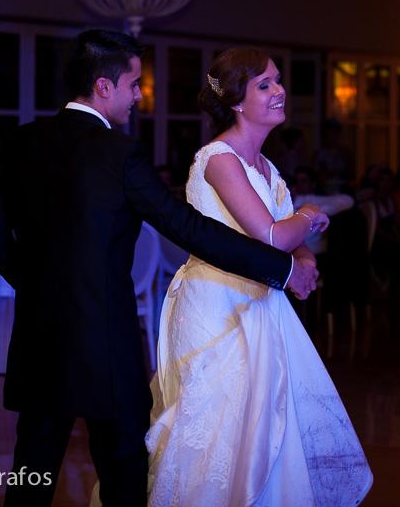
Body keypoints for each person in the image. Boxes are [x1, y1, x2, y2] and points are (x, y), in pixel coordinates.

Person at [0, 30, 318, 507]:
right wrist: (282, 268)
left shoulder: (19, 143)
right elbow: (189, 229)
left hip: (39, 339)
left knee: (31, 472)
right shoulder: (119, 153)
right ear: (103, 86)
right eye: (134, 84)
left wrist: (41, 288)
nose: (139, 96)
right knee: (123, 474)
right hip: (107, 341)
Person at [147, 48, 372, 505]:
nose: (279, 90)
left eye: (278, 80)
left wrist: (304, 261)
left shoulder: (268, 168)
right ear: (236, 101)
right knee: (219, 434)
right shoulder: (218, 159)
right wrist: (309, 214)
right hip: (216, 308)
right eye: (264, 84)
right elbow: (271, 234)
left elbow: (289, 238)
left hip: (263, 305)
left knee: (271, 428)